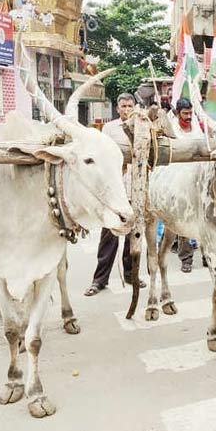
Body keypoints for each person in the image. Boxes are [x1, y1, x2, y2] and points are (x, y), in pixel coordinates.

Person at [85, 93, 144, 296]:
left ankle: (131, 275)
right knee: (109, 237)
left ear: (135, 107)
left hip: (136, 189)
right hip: (115, 193)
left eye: (130, 106)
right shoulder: (109, 129)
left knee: (133, 238)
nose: (127, 109)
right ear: (117, 108)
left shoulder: (142, 126)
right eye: (123, 106)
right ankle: (99, 280)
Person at [171, 98, 201, 272]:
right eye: (185, 113)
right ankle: (186, 258)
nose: (189, 117)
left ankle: (206, 255)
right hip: (179, 181)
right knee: (183, 219)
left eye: (191, 113)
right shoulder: (172, 129)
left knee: (202, 219)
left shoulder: (196, 127)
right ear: (177, 113)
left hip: (198, 179)